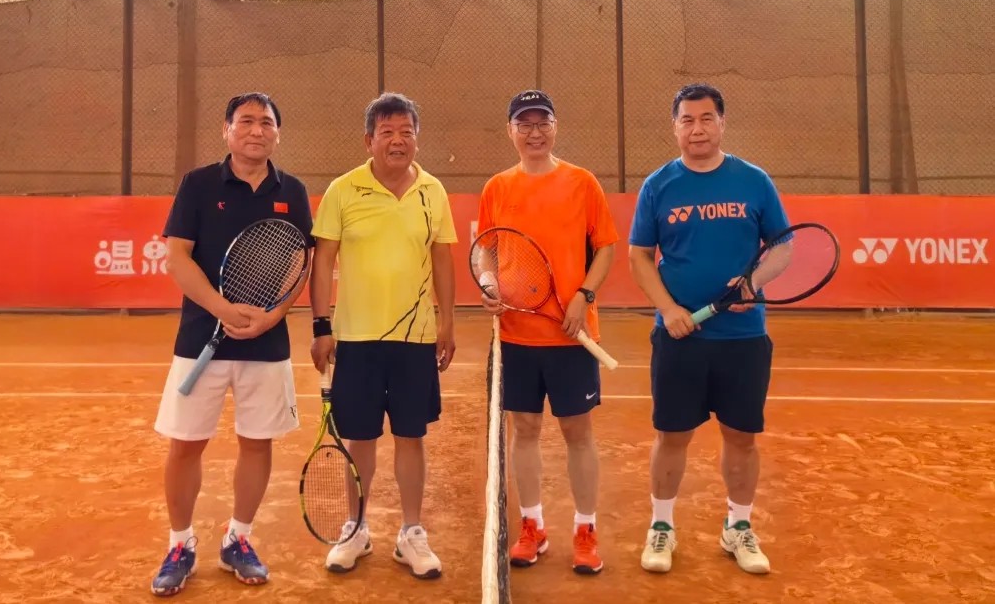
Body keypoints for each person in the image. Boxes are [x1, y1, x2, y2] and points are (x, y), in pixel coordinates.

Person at [150, 92, 315, 596]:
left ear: (278, 133)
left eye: (266, 122)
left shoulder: (293, 190)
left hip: (266, 342)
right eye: (245, 121)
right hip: (200, 337)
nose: (256, 130)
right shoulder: (198, 184)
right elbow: (177, 257)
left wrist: (274, 315)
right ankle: (179, 545)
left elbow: (300, 259)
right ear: (226, 130)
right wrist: (221, 309)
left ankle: (238, 538)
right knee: (185, 445)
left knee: (257, 442)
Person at [628, 82, 788, 575]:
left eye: (706, 119)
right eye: (687, 120)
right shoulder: (658, 185)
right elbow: (640, 256)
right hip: (680, 339)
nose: (696, 129)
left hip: (743, 338)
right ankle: (661, 526)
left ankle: (738, 526)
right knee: (671, 435)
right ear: (675, 127)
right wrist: (669, 309)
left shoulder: (754, 181)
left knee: (741, 436)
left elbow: (782, 247)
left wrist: (753, 284)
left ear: (721, 123)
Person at [308, 92, 457, 579]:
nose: (398, 141)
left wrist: (447, 322)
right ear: (368, 140)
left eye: (406, 132)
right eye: (387, 132)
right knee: (361, 437)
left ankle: (411, 533)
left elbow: (442, 259)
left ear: (417, 139)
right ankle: (355, 529)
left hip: (416, 338)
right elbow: (323, 261)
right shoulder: (342, 190)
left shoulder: (433, 190)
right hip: (356, 338)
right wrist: (322, 326)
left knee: (412, 435)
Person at [477, 89, 619, 575]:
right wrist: (489, 282)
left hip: (571, 334)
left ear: (555, 128)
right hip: (516, 334)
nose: (534, 132)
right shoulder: (497, 187)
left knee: (577, 431)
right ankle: (532, 526)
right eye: (525, 124)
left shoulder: (582, 183)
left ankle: (585, 529)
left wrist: (585, 295)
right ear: (511, 131)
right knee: (525, 430)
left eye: (543, 123)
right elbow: (487, 249)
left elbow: (605, 247)